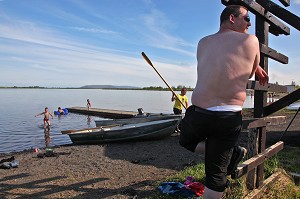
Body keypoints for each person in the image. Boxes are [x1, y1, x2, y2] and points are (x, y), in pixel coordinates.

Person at [179, 5, 268, 199]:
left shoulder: (203, 42)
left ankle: (229, 151)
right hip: (229, 116)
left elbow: (218, 63)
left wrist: (255, 65)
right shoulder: (252, 41)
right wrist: (258, 66)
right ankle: (228, 151)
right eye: (246, 18)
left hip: (200, 113)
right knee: (216, 170)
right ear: (232, 18)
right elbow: (249, 69)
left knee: (185, 139)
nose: (250, 23)